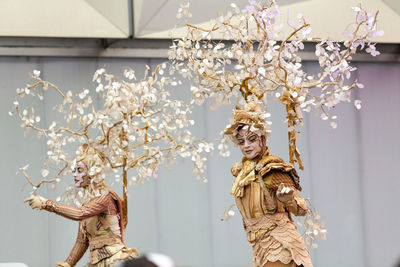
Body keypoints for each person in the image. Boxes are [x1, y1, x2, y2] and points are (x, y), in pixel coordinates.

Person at [224, 102, 312, 267]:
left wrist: (288, 199)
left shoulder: (272, 169)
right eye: (241, 141)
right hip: (259, 244)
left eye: (251, 139)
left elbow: (301, 209)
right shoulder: (242, 172)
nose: (246, 146)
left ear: (262, 139)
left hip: (279, 242)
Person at [24, 144, 139, 267]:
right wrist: (69, 263)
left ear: (92, 172)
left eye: (79, 170)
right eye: (74, 170)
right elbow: (82, 240)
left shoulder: (105, 198)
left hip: (113, 259)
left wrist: (46, 203)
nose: (74, 174)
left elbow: (79, 213)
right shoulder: (89, 203)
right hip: (97, 262)